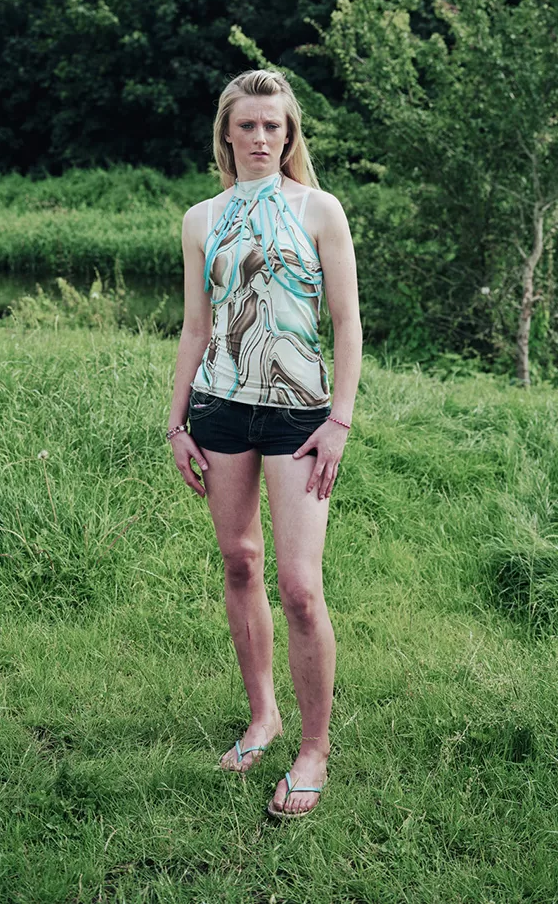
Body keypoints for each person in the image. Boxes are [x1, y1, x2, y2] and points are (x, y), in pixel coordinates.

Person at [167, 69, 362, 819]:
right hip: (219, 408)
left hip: (297, 417)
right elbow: (194, 328)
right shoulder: (200, 218)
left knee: (301, 588)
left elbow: (346, 324)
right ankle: (263, 717)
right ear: (226, 133)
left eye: (272, 126)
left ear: (289, 134)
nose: (259, 137)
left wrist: (338, 419)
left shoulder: (320, 209)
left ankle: (313, 750)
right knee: (240, 561)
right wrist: (177, 423)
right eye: (246, 125)